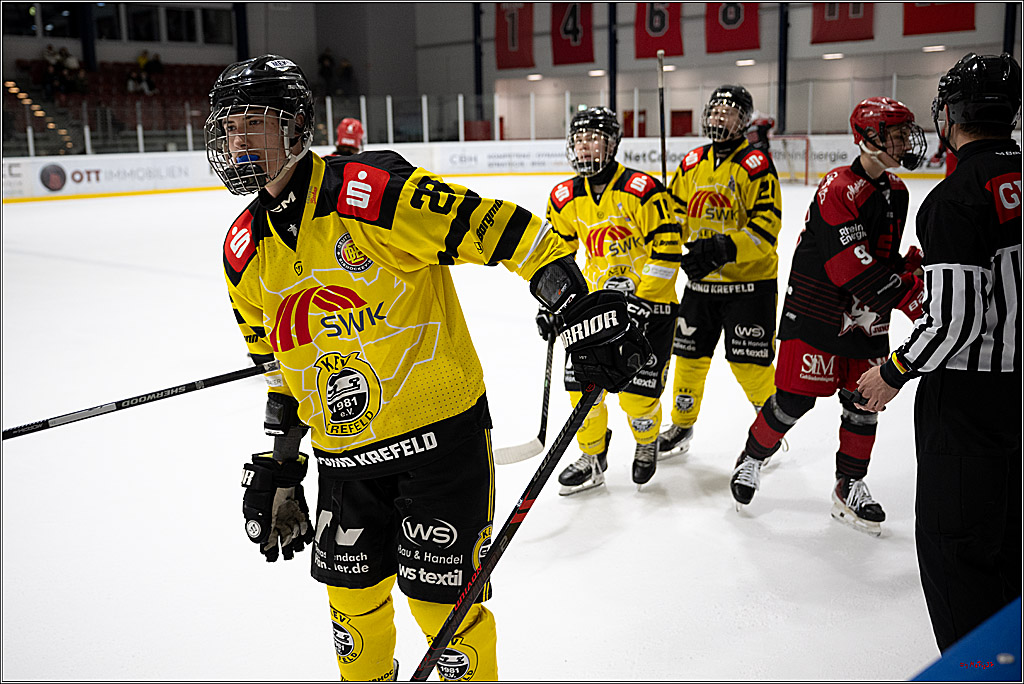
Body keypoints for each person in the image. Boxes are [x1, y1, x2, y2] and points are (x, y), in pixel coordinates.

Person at [205, 54, 650, 681]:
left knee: (444, 614)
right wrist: (281, 465)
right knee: (352, 612)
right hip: (343, 460)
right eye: (229, 128)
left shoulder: (368, 193)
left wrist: (573, 303)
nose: (238, 142)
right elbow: (278, 374)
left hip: (438, 443)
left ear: (297, 125)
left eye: (255, 124)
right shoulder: (243, 252)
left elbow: (500, 228)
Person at [856, 53, 1022, 652]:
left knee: (959, 552)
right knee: (1011, 539)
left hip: (972, 405)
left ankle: (980, 669)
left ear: (951, 114)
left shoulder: (956, 199)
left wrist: (894, 370)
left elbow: (956, 321)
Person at [729, 97, 928, 535]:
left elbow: (877, 258)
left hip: (866, 316)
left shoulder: (897, 191)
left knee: (865, 403)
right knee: (792, 401)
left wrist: (908, 268)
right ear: (868, 137)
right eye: (896, 133)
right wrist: (913, 297)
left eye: (904, 133)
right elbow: (850, 268)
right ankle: (752, 458)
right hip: (816, 310)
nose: (904, 142)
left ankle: (849, 484)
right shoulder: (837, 188)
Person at [537, 106, 680, 493]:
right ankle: (592, 455)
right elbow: (558, 256)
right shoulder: (563, 197)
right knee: (582, 391)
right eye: (578, 140)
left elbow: (667, 249)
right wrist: (552, 304)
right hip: (596, 309)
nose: (584, 146)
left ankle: (646, 441)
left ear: (613, 143)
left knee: (637, 397)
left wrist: (643, 299)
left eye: (593, 138)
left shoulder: (643, 189)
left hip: (651, 308)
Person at [656, 85, 783, 462]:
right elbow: (678, 214)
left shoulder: (756, 164)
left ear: (744, 121)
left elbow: (767, 228)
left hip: (750, 285)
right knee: (688, 357)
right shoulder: (691, 162)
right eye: (714, 111)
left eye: (728, 112)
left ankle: (771, 431)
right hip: (702, 283)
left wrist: (723, 249)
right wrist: (668, 232)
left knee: (750, 364)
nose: (719, 118)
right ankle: (682, 425)